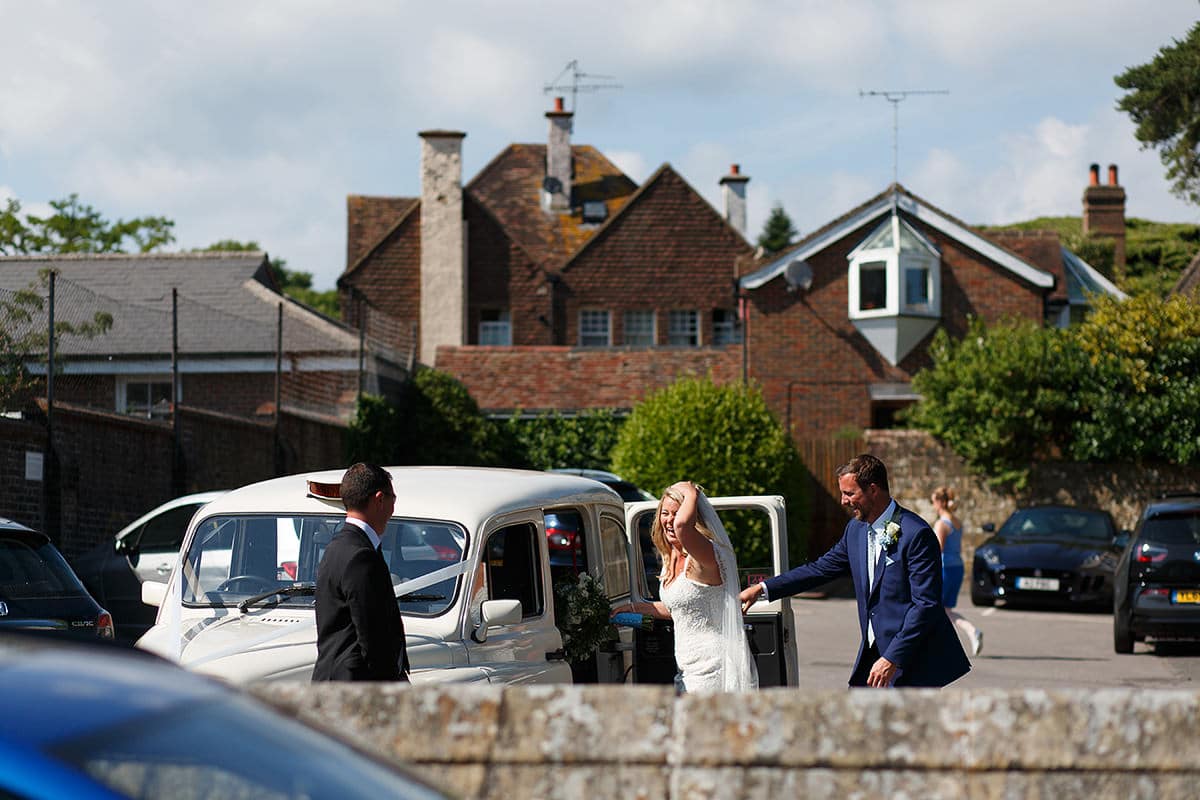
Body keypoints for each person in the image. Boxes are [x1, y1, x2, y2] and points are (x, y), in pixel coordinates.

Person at [739, 454, 970, 688]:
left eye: (849, 493)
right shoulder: (855, 530)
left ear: (873, 489)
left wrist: (892, 658)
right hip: (873, 656)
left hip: (912, 661)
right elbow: (819, 569)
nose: (843, 501)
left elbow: (925, 605)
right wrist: (763, 588)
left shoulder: (916, 533)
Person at [612, 481, 757, 693]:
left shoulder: (706, 556)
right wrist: (632, 609)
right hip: (687, 666)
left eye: (677, 512)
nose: (670, 520)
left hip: (712, 666)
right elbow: (679, 609)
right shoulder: (670, 558)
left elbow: (682, 527)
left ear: (693, 517)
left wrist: (692, 491)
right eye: (665, 513)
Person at [312, 463, 409, 681]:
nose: (394, 506)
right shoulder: (361, 556)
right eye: (393, 498)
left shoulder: (335, 547)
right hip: (355, 689)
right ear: (379, 499)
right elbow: (373, 638)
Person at [931, 486, 983, 657]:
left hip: (944, 569)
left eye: (933, 502)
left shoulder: (941, 524)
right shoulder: (957, 522)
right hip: (957, 567)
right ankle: (971, 632)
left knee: (934, 609)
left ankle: (938, 644)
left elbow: (937, 550)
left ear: (940, 502)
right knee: (945, 610)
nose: (933, 506)